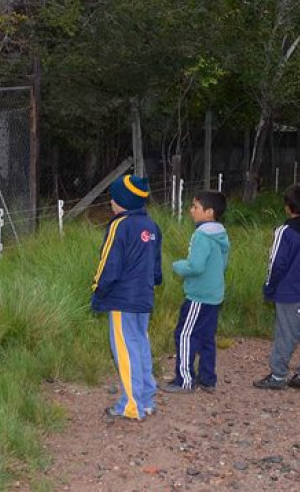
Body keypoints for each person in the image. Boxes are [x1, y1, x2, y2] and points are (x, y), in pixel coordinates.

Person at [91, 174, 162, 421]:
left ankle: (132, 405)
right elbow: (155, 264)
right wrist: (154, 281)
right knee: (140, 345)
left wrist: (98, 289)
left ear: (120, 202)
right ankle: (146, 399)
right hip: (144, 296)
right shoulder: (152, 226)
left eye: (113, 198)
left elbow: (108, 262)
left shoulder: (118, 226)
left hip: (122, 298)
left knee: (124, 349)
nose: (111, 203)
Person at [254, 183, 300, 392]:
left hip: (288, 293)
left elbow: (276, 263)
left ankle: (278, 375)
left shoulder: (284, 232)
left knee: (285, 334)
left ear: (289, 207)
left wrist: (269, 288)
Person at [162, 190, 230, 393]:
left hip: (198, 296)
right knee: (207, 337)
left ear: (209, 212)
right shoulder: (220, 233)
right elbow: (222, 264)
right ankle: (208, 379)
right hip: (214, 295)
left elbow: (195, 266)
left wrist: (178, 265)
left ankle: (184, 380)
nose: (191, 210)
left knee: (184, 334)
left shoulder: (202, 235)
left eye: (195, 207)